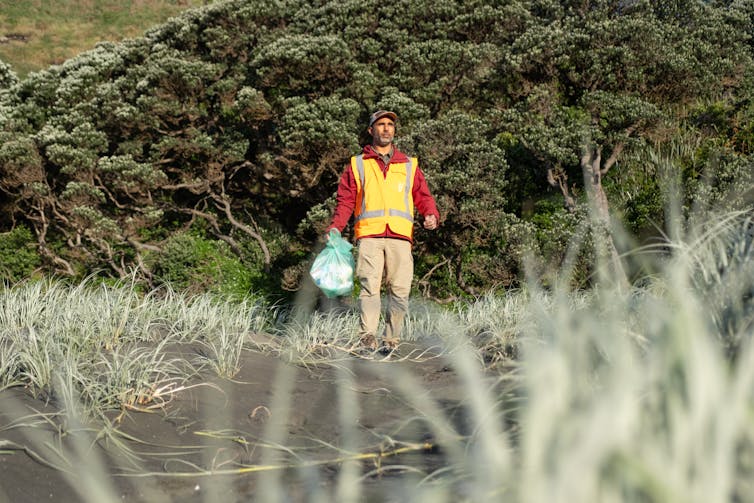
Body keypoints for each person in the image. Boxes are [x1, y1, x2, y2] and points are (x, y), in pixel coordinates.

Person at [326, 110, 440, 354]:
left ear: (394, 130)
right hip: (369, 235)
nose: (386, 128)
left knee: (400, 289)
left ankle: (391, 340)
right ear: (371, 130)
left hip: (400, 236)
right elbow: (346, 201)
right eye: (381, 125)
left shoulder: (409, 164)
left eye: (390, 124)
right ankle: (367, 336)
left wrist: (430, 214)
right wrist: (336, 227)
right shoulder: (358, 164)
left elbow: (422, 195)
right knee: (370, 287)